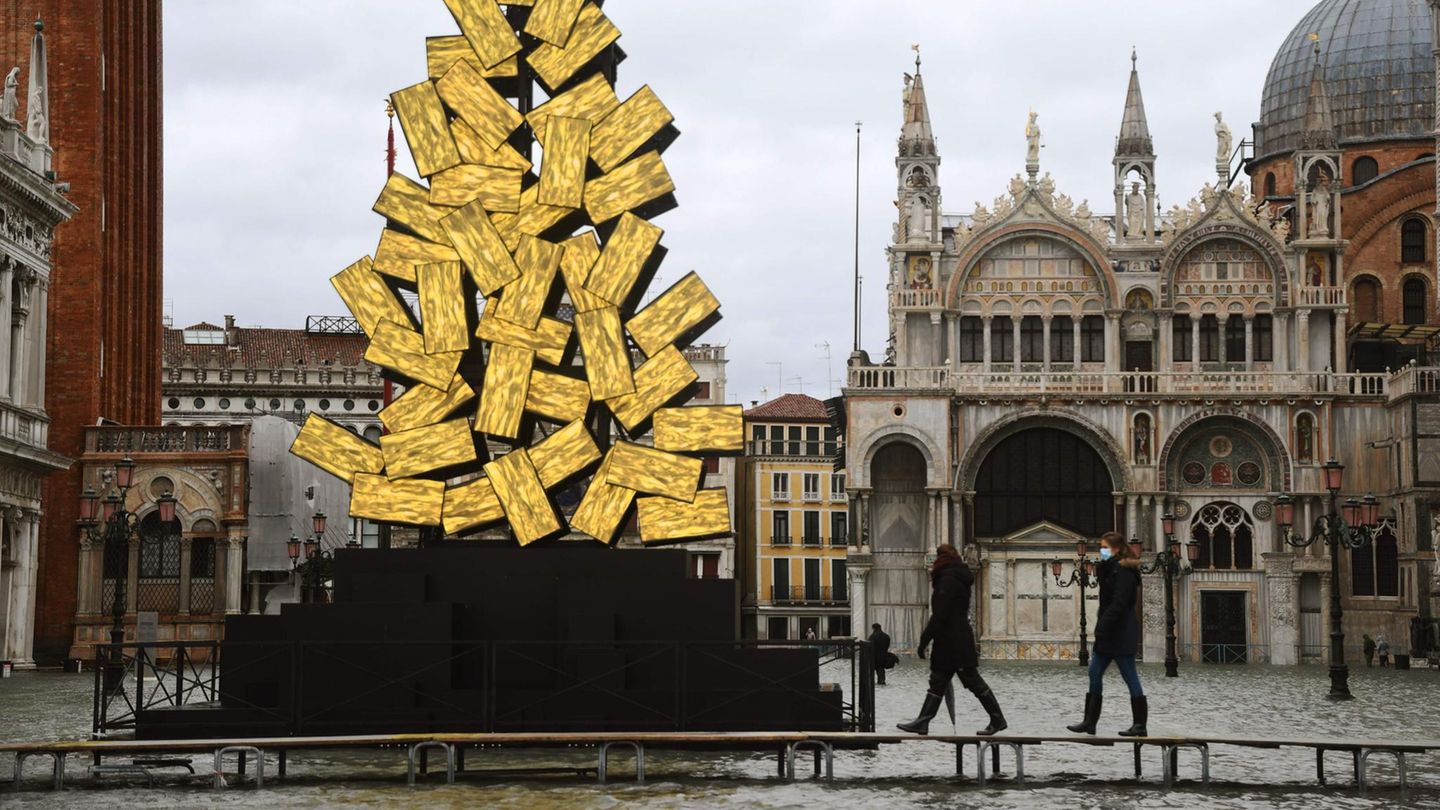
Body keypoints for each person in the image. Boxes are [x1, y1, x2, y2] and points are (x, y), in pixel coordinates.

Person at [898, 544, 1007, 736]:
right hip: (956, 639)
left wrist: (924, 641)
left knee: (971, 681)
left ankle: (998, 719)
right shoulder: (957, 576)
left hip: (952, 641)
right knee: (939, 681)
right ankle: (923, 722)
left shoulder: (947, 579)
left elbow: (940, 613)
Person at [1068, 532, 1147, 737]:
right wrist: (1103, 567)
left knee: (1129, 675)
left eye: (1104, 547)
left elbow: (1120, 603)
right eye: (1100, 547)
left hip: (1120, 631)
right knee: (1094, 672)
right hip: (1108, 632)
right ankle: (1089, 721)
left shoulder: (1125, 571)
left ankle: (1140, 724)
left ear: (1116, 549)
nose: (1101, 551)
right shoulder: (1110, 568)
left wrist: (1102, 625)